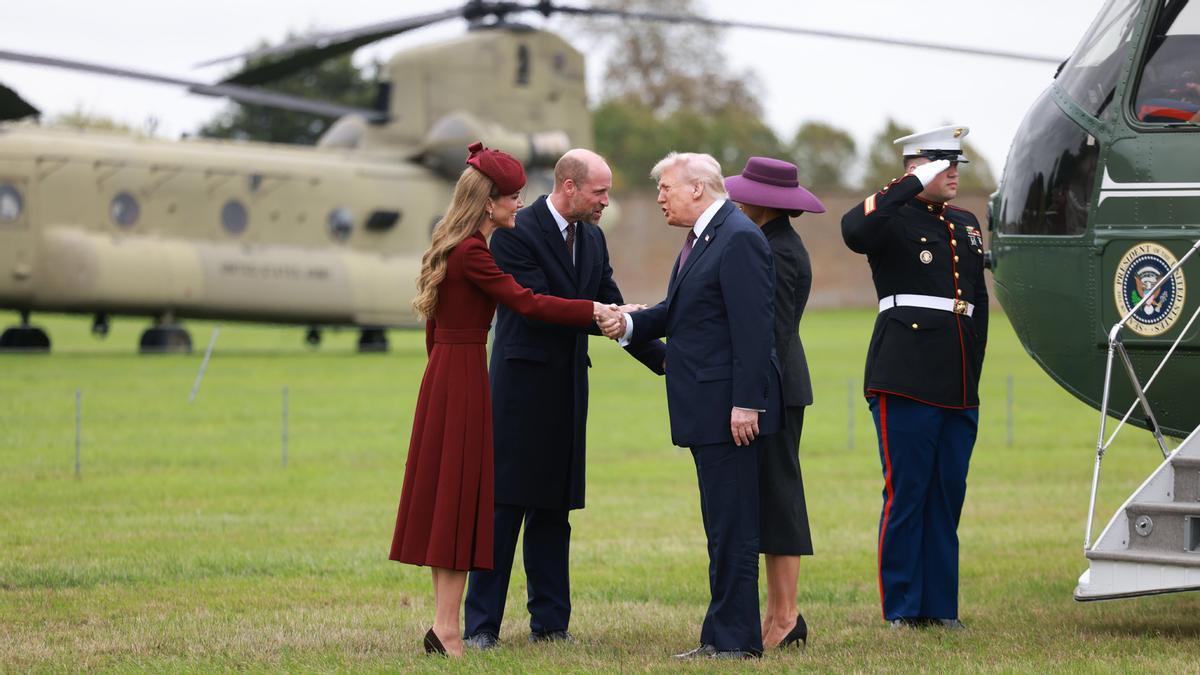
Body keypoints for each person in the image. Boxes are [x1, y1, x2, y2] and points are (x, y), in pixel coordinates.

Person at [388, 142, 619, 657]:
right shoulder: (477, 250)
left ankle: (447, 628)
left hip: (450, 370)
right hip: (470, 376)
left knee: (456, 499)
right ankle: (458, 628)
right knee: (473, 502)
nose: (519, 203)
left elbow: (433, 330)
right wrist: (596, 312)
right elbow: (526, 301)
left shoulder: (454, 243)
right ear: (489, 201)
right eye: (512, 197)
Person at [463, 149, 666, 649]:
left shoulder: (593, 238)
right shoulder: (516, 233)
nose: (605, 201)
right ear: (569, 187)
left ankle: (551, 625)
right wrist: (600, 310)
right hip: (518, 392)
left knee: (554, 511)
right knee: (503, 511)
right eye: (599, 192)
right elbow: (533, 306)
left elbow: (614, 312)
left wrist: (667, 362)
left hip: (568, 391)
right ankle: (481, 626)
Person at [599, 152, 782, 660]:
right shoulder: (705, 237)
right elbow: (680, 313)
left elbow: (753, 329)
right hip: (706, 409)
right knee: (721, 526)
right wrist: (628, 325)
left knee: (732, 529)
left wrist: (746, 403)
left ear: (698, 189)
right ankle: (721, 636)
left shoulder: (739, 238)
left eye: (666, 188)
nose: (659, 197)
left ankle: (734, 642)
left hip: (730, 413)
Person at [840, 125, 989, 630]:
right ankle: (903, 608)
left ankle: (940, 609)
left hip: (957, 378)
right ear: (913, 169)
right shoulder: (890, 217)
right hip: (904, 373)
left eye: (955, 164)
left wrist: (974, 371)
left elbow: (977, 306)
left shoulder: (967, 223)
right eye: (940, 164)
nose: (952, 173)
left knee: (947, 495)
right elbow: (853, 231)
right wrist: (906, 183)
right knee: (907, 495)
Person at [724, 156, 824, 650]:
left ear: (763, 203)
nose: (737, 200)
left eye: (744, 194)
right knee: (769, 497)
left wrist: (752, 396)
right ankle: (775, 615)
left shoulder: (777, 250)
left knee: (781, 499)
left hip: (776, 388)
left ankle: (786, 617)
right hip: (773, 384)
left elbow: (766, 330)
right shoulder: (769, 240)